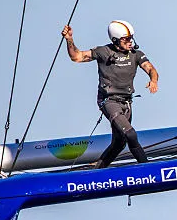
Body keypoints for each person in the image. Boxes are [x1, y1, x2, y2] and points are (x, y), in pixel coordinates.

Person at [62, 20, 159, 168]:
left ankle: (96, 170)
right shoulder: (103, 52)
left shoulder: (136, 54)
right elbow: (77, 57)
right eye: (126, 39)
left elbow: (151, 69)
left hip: (126, 102)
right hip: (109, 101)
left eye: (131, 38)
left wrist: (153, 80)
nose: (130, 42)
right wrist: (69, 40)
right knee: (130, 135)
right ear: (115, 40)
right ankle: (148, 169)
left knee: (119, 142)